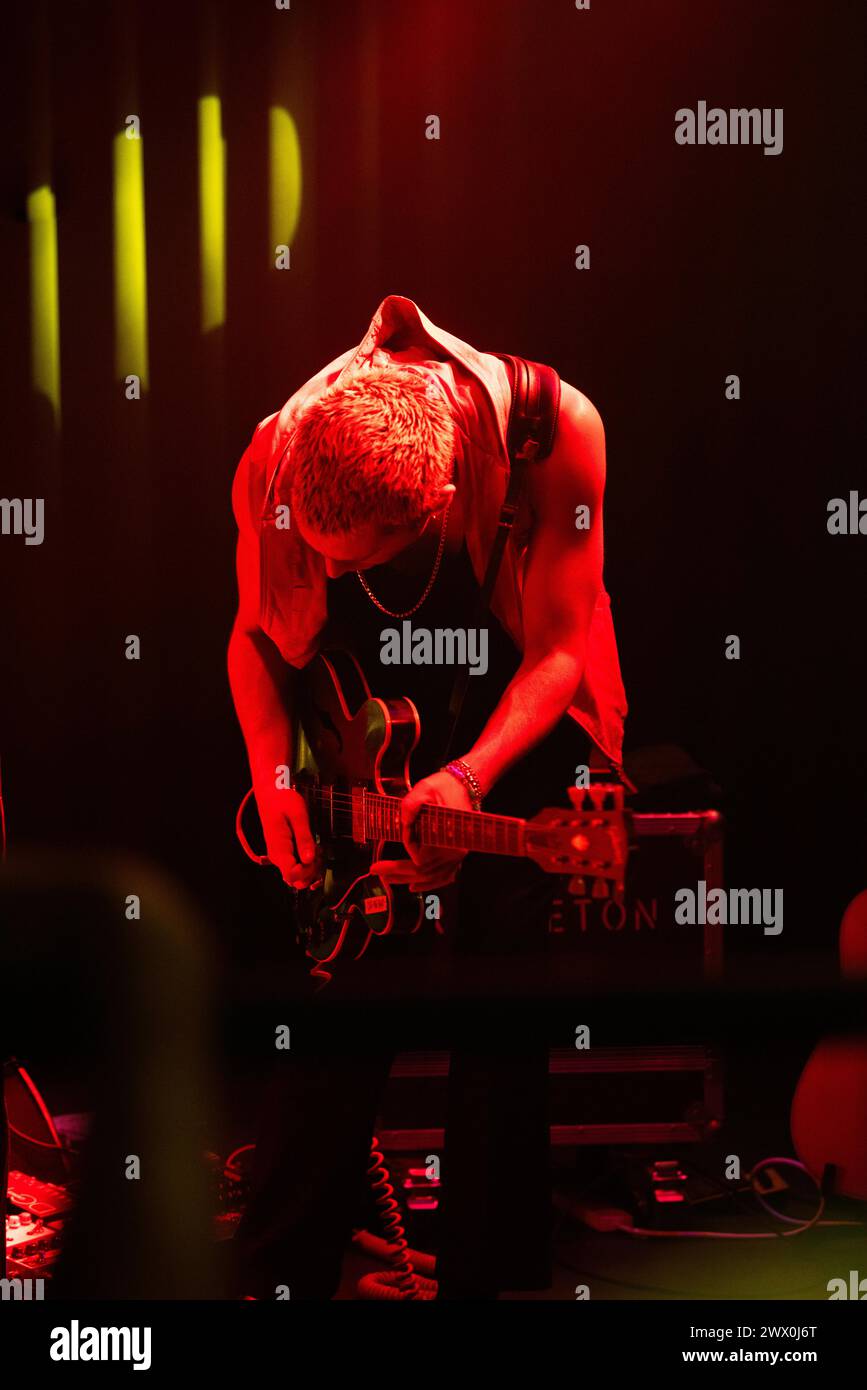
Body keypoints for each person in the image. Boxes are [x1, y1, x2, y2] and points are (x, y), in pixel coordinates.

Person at [227, 294, 627, 1299]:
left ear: (437, 499)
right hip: (363, 727)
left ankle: (491, 1283)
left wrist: (469, 775)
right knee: (338, 995)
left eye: (349, 560)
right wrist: (276, 772)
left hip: (521, 698)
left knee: (499, 1003)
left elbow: (562, 652)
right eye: (314, 550)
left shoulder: (555, 431)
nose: (323, 571)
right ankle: (279, 1275)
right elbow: (254, 637)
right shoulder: (275, 452)